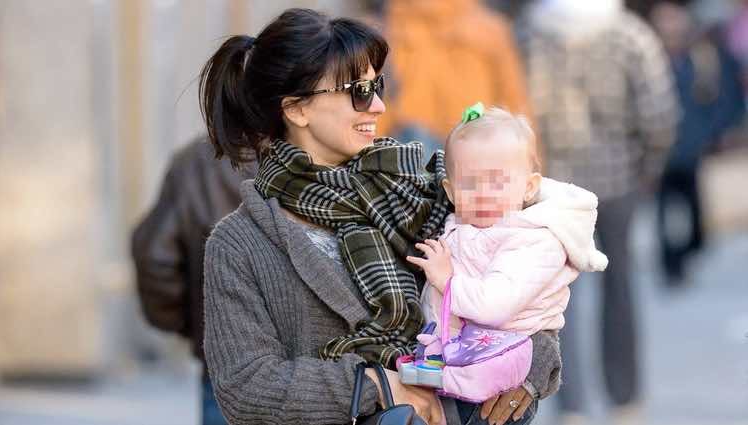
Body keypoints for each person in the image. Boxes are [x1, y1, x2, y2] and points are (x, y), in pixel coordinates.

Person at [198, 8, 562, 425]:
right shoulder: (238, 244)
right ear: (297, 109)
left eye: (378, 86)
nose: (377, 105)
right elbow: (246, 388)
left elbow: (533, 273)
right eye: (357, 91)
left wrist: (528, 374)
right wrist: (376, 385)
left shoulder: (433, 189)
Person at [514, 1, 679, 423]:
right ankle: (624, 398)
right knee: (620, 286)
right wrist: (646, 167)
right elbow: (659, 115)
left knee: (558, 297)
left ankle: (571, 403)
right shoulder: (629, 34)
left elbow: (518, 107)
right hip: (618, 180)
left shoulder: (531, 32)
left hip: (553, 186)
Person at [406, 105, 607, 423]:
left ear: (528, 186)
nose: (484, 194)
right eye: (470, 184)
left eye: (497, 182)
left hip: (498, 375)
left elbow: (494, 305)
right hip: (460, 364)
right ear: (451, 190)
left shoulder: (533, 239)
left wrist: (447, 281)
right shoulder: (463, 225)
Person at [131, 137, 256, 425]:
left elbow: (154, 257)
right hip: (310, 377)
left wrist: (197, 326)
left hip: (223, 370)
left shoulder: (195, 160)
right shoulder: (319, 147)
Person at [649, 1, 746, 286]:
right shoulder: (649, 58)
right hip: (661, 152)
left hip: (694, 150)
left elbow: (723, 98)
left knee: (698, 219)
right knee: (665, 216)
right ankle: (670, 267)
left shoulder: (703, 57)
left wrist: (716, 132)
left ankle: (687, 253)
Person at [376, 0, 534, 164]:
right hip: (441, 155)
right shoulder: (388, 33)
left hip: (476, 153)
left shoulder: (489, 32)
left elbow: (514, 106)